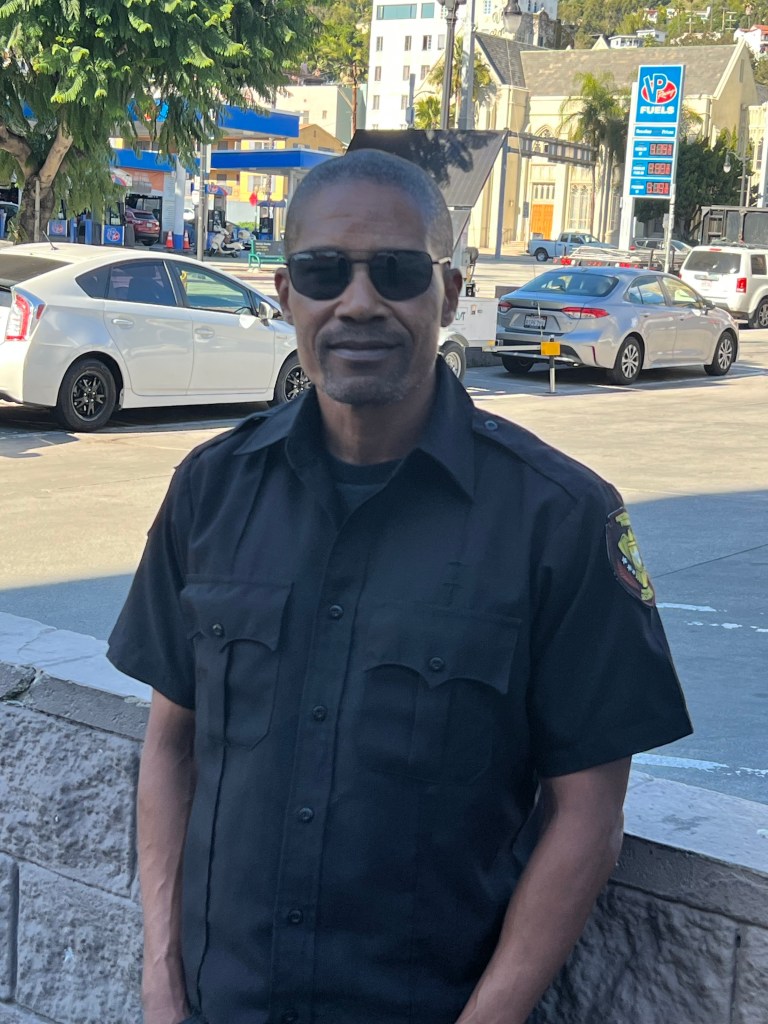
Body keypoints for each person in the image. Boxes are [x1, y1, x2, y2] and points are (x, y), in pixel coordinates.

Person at [108, 148, 692, 1024]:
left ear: (449, 294)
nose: (359, 302)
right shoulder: (211, 490)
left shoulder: (559, 519)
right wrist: (161, 977)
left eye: (397, 271)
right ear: (285, 293)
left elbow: (590, 815)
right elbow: (170, 746)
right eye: (323, 272)